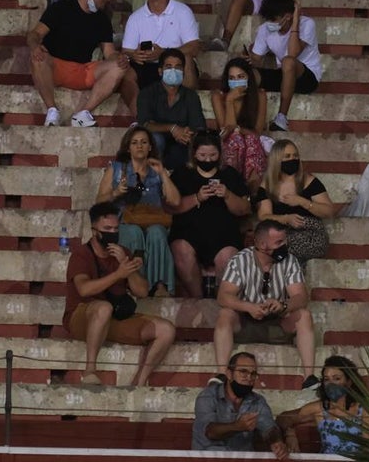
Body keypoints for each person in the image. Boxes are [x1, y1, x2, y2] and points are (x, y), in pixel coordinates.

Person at [63, 201, 177, 386]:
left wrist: (127, 266)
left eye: (116, 229)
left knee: (167, 330)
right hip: (82, 317)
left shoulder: (122, 252)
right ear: (94, 231)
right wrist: (118, 274)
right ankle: (90, 370)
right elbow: (84, 289)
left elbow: (142, 291)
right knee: (103, 308)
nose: (112, 233)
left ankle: (139, 382)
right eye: (107, 228)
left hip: (114, 319)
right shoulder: (81, 254)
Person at [214, 220, 318, 390]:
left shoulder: (290, 261)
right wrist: (249, 307)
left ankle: (309, 377)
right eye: (279, 242)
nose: (285, 245)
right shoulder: (240, 260)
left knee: (304, 315)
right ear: (262, 244)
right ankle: (220, 374)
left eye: (285, 240)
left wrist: (283, 305)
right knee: (225, 314)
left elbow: (300, 297)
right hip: (246, 322)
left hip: (277, 323)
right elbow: (223, 297)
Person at [30, 0, 134, 129]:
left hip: (82, 71)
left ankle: (83, 113)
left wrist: (119, 59)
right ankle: (52, 111)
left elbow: (109, 53)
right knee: (38, 57)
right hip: (55, 68)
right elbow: (35, 34)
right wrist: (34, 46)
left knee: (119, 67)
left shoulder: (102, 19)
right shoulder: (60, 8)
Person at [96, 126, 181, 297]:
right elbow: (99, 202)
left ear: (150, 147)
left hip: (152, 221)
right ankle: (134, 284)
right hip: (125, 222)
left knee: (157, 232)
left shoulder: (157, 170)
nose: (139, 146)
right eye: (134, 143)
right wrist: (116, 193)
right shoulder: (117, 169)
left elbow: (175, 201)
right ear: (128, 147)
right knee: (133, 232)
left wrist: (163, 173)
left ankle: (159, 286)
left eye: (143, 142)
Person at [170, 130, 250, 298]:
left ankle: (223, 299)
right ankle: (198, 299)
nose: (207, 160)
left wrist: (228, 195)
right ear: (194, 154)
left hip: (224, 236)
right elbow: (172, 207)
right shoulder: (182, 174)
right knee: (181, 249)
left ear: (220, 154)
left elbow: (244, 209)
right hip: (188, 234)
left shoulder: (229, 174)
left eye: (213, 155)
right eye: (203, 155)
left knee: (227, 256)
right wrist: (197, 197)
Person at [254, 140, 339, 265]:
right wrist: (286, 219)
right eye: (287, 156)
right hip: (282, 234)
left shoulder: (309, 181)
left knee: (275, 248)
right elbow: (264, 215)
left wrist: (303, 202)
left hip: (311, 233)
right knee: (267, 246)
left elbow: (329, 211)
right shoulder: (267, 185)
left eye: (295, 156)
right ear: (276, 160)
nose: (292, 159)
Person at [249, 0, 322, 133]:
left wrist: (295, 22)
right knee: (247, 72)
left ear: (287, 16)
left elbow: (293, 54)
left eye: (273, 19)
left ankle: (281, 117)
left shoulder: (307, 24)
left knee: (288, 62)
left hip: (307, 77)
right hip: (283, 75)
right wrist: (249, 56)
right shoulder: (265, 29)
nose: (269, 23)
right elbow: (256, 58)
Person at [192, 351, 288, 459]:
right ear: (229, 374)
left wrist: (276, 441)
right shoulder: (208, 396)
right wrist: (236, 426)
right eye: (243, 372)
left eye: (253, 374)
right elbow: (210, 432)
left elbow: (270, 428)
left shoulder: (257, 401)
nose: (249, 378)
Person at [122, 0, 202, 89]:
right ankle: (136, 108)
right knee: (127, 74)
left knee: (187, 60)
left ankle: (188, 104)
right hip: (146, 65)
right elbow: (127, 50)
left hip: (174, 63)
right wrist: (134, 55)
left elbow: (194, 47)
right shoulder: (135, 18)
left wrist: (164, 53)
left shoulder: (183, 11)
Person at [278, 356, 369, 455]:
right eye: (327, 379)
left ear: (349, 381)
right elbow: (283, 418)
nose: (331, 384)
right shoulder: (319, 409)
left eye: (337, 378)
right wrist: (290, 434)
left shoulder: (363, 410)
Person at [135, 48, 205, 171]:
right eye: (169, 66)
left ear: (183, 71)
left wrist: (187, 134)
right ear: (160, 71)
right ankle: (149, 177)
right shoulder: (147, 93)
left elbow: (198, 126)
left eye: (178, 67)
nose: (174, 70)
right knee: (156, 139)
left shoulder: (190, 96)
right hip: (155, 144)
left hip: (181, 144)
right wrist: (172, 128)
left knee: (192, 145)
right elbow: (145, 124)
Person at [211, 56, 268, 190]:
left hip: (251, 143)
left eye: (240, 76)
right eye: (232, 78)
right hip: (229, 144)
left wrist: (237, 129)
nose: (236, 81)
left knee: (250, 140)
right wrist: (229, 101)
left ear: (248, 77)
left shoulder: (259, 95)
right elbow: (225, 131)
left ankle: (252, 188)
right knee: (236, 139)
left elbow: (257, 132)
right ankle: (233, 184)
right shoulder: (218, 97)